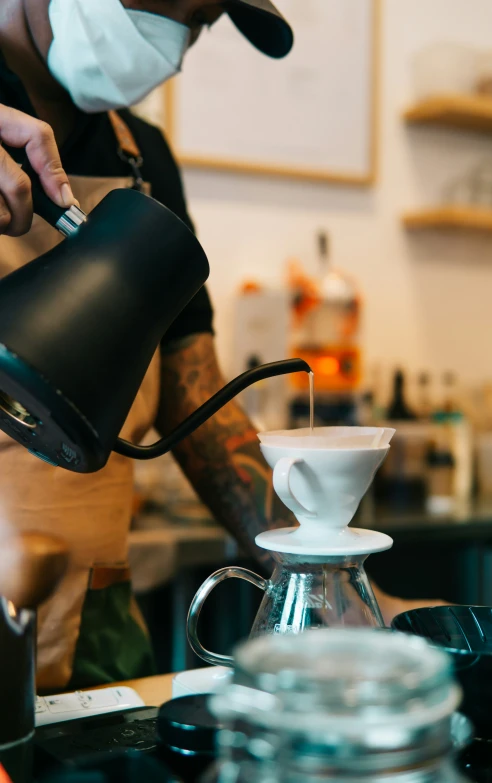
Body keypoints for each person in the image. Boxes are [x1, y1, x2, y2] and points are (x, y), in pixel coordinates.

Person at [0, 0, 442, 692]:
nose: (174, 48)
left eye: (200, 22)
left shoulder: (143, 162)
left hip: (97, 631)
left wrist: (343, 592)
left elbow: (200, 408)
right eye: (171, 4)